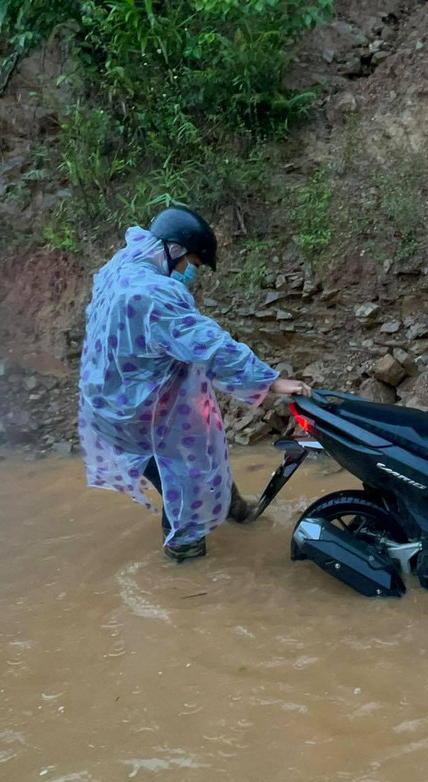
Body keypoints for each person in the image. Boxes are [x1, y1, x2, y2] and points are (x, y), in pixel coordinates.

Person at [77, 207, 310, 563]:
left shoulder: (122, 267)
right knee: (184, 486)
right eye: (193, 264)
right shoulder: (153, 294)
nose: (191, 272)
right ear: (173, 250)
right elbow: (207, 344)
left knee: (200, 452)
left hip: (114, 401)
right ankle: (185, 560)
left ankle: (235, 511)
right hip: (139, 417)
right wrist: (272, 381)